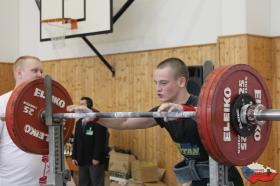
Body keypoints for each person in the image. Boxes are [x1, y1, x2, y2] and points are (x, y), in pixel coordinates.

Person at [67, 58, 243, 186]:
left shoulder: (202, 106)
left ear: (181, 81)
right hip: (195, 178)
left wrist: (185, 111)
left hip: (224, 178)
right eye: (156, 83)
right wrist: (95, 116)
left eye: (164, 83)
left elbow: (218, 117)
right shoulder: (162, 112)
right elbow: (125, 122)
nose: (158, 89)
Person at [0, 55, 49, 186]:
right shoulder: (2, 103)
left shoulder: (46, 104)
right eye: (35, 70)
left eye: (41, 71)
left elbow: (54, 143)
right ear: (19, 73)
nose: (40, 75)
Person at [72, 97, 108, 186]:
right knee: (83, 183)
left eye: (82, 104)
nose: (80, 107)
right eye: (79, 104)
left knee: (96, 183)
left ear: (89, 106)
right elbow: (76, 140)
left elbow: (101, 140)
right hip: (82, 159)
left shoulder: (98, 120)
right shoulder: (79, 122)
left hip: (94, 160)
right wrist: (74, 156)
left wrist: (97, 157)